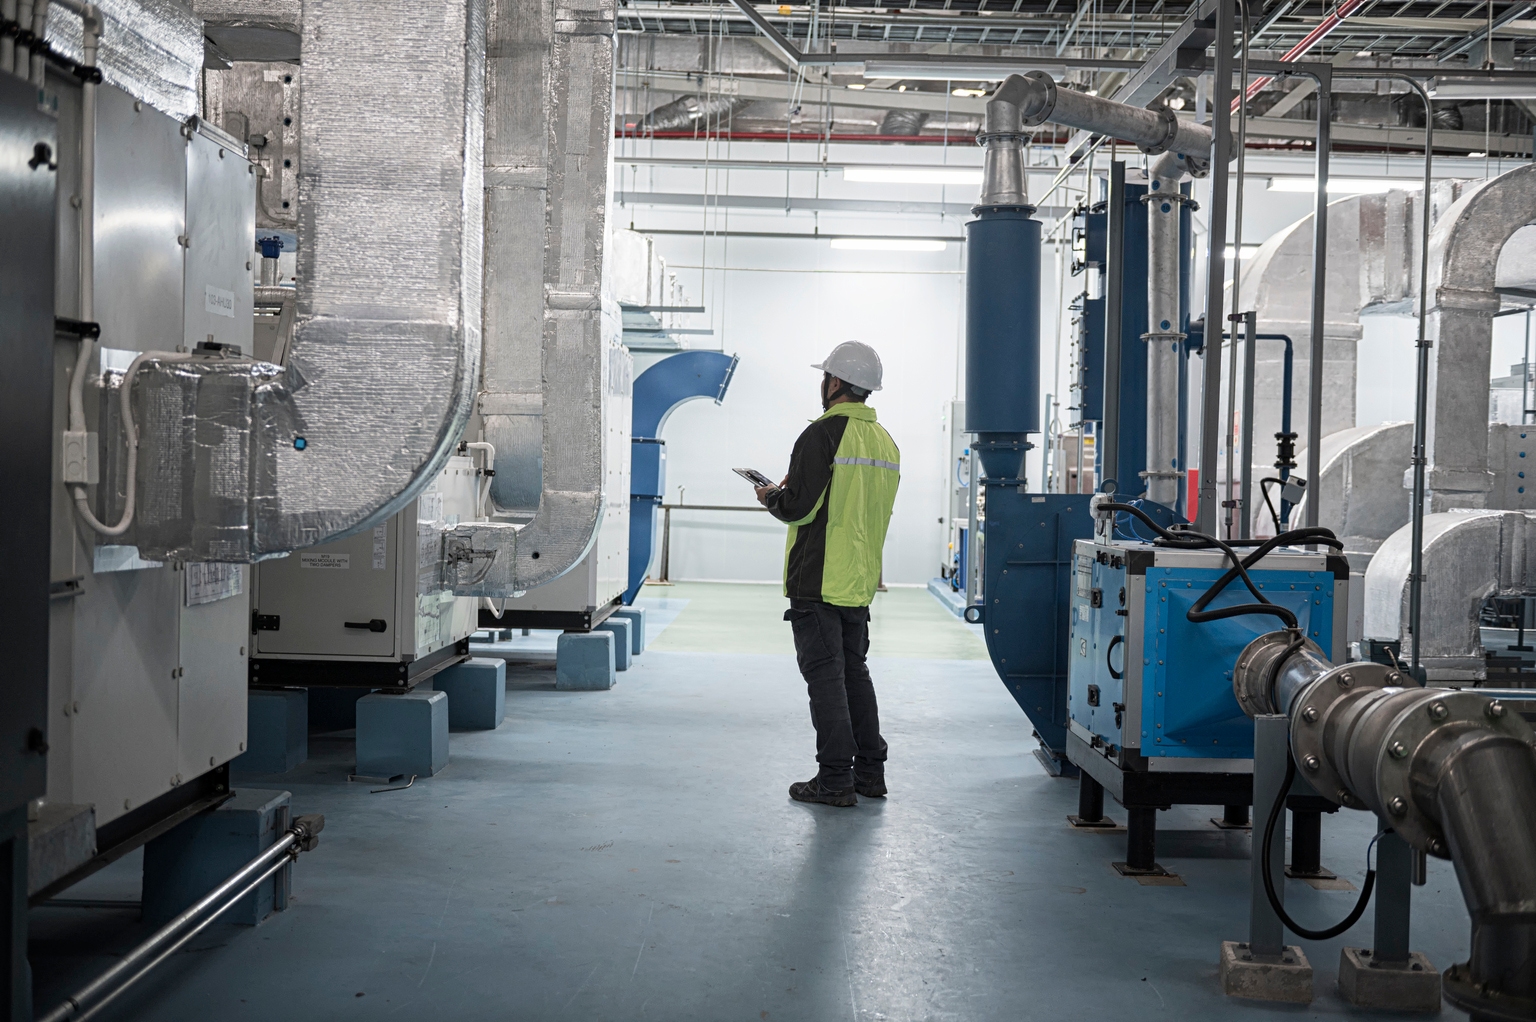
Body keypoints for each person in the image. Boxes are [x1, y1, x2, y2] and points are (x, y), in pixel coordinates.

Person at [754, 341, 901, 808]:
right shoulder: (884, 441)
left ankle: (835, 778)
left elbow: (798, 507)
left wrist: (771, 496)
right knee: (854, 673)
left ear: (835, 382)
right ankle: (870, 773)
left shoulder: (821, 435)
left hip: (818, 578)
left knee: (825, 678)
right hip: (858, 579)